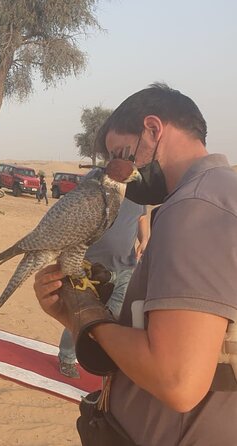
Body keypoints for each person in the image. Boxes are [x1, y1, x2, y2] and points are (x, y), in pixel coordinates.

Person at [33, 84, 237, 445]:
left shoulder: (195, 207)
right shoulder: (222, 193)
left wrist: (89, 316)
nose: (119, 168)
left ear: (154, 130)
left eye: (121, 153)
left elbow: (178, 382)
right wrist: (74, 318)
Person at [57, 197, 147, 378]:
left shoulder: (138, 194)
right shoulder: (98, 192)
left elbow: (141, 218)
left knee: (114, 315)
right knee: (83, 315)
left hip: (125, 268)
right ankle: (66, 358)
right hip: (92, 267)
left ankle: (103, 357)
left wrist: (144, 239)